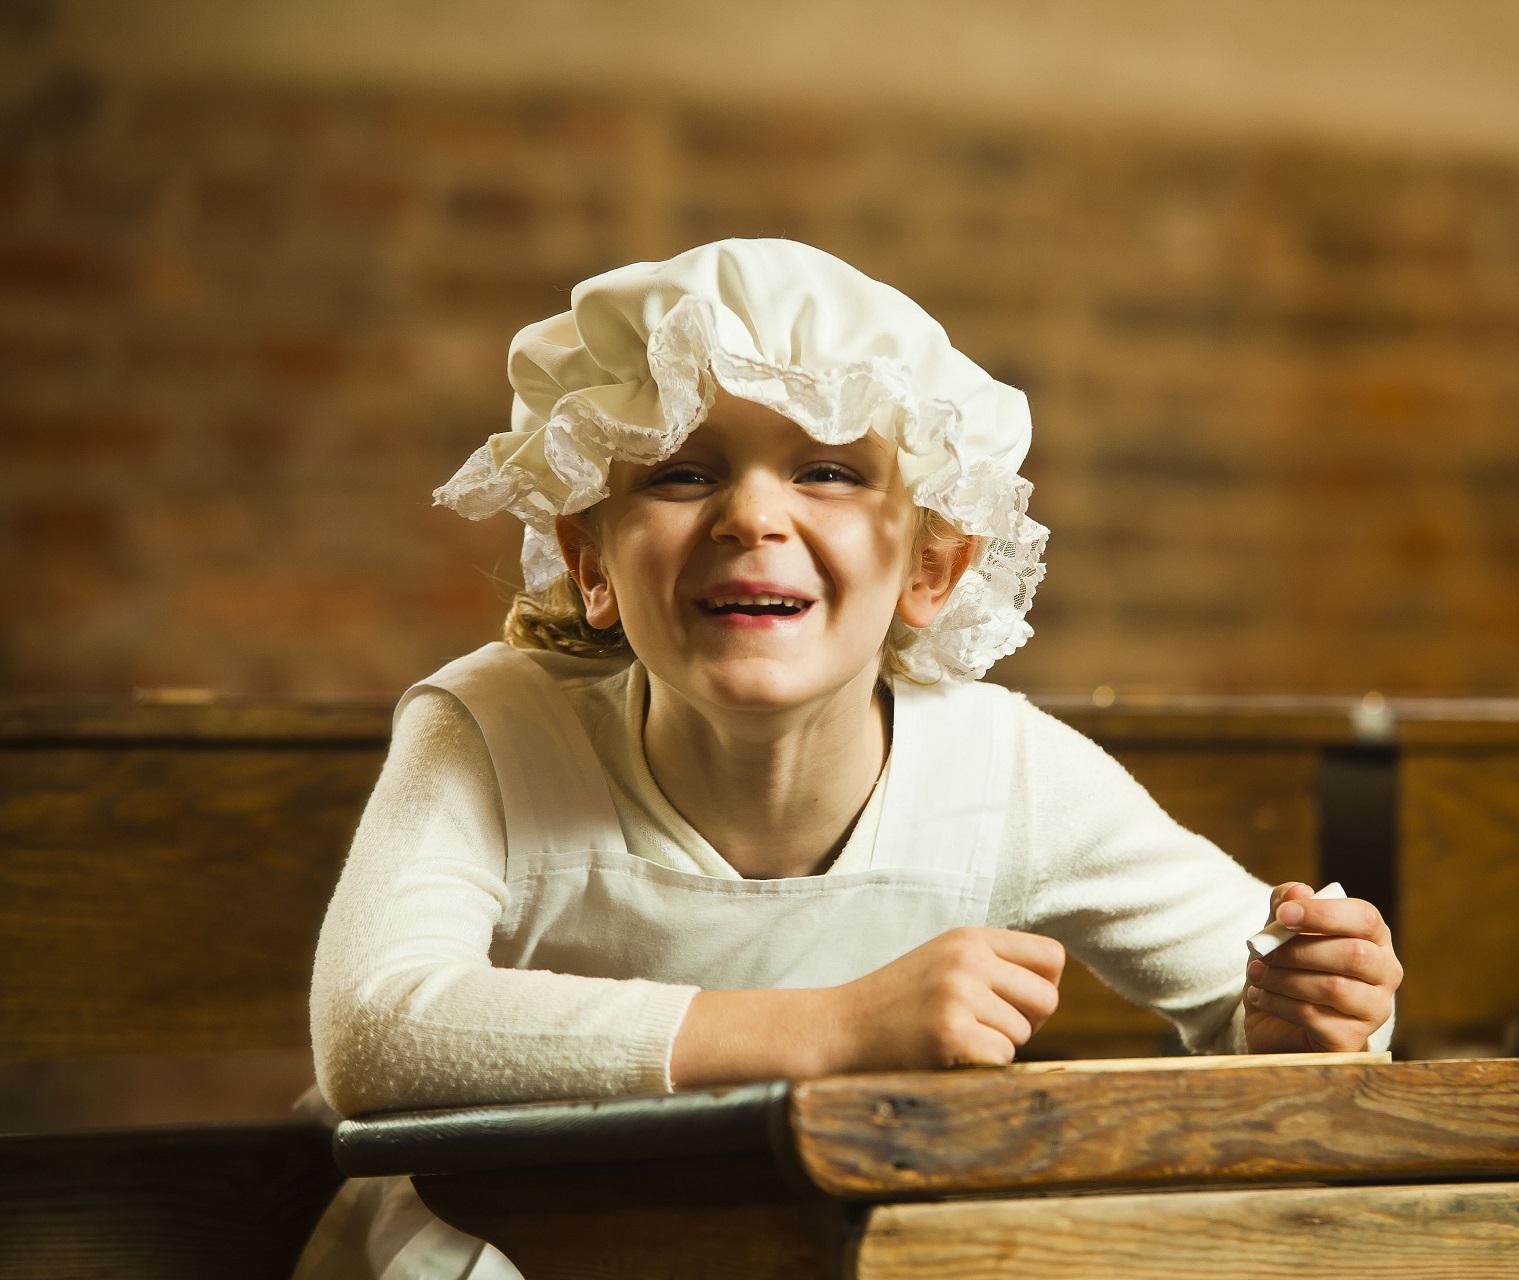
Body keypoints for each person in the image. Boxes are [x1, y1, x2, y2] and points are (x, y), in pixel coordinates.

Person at [292, 238, 1402, 1278]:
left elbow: (1257, 996)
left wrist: (1304, 1014)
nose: (751, 513)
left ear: (933, 566)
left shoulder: (999, 771)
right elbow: (378, 1025)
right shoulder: (494, 730)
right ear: (591, 560)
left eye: (826, 469)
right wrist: (837, 1027)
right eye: (682, 472)